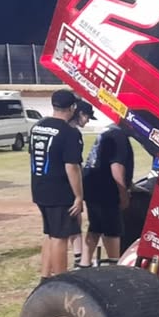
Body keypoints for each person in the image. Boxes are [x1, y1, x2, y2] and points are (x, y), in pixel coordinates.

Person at [30, 89, 84, 281]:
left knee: (50, 234)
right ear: (72, 108)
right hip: (59, 192)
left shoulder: (37, 127)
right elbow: (72, 167)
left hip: (39, 188)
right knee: (61, 237)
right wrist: (78, 196)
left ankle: (45, 277)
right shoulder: (69, 133)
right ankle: (61, 280)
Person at [79, 124, 134, 267]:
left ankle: (84, 263)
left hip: (91, 186)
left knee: (96, 226)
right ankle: (114, 265)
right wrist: (123, 193)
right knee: (113, 230)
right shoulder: (119, 136)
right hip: (106, 189)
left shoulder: (107, 132)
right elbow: (116, 166)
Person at [68, 100, 95, 268]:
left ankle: (78, 256)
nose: (88, 121)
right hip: (70, 183)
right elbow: (74, 164)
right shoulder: (72, 133)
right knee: (74, 220)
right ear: (80, 114)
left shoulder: (64, 130)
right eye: (87, 117)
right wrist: (78, 193)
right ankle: (79, 258)